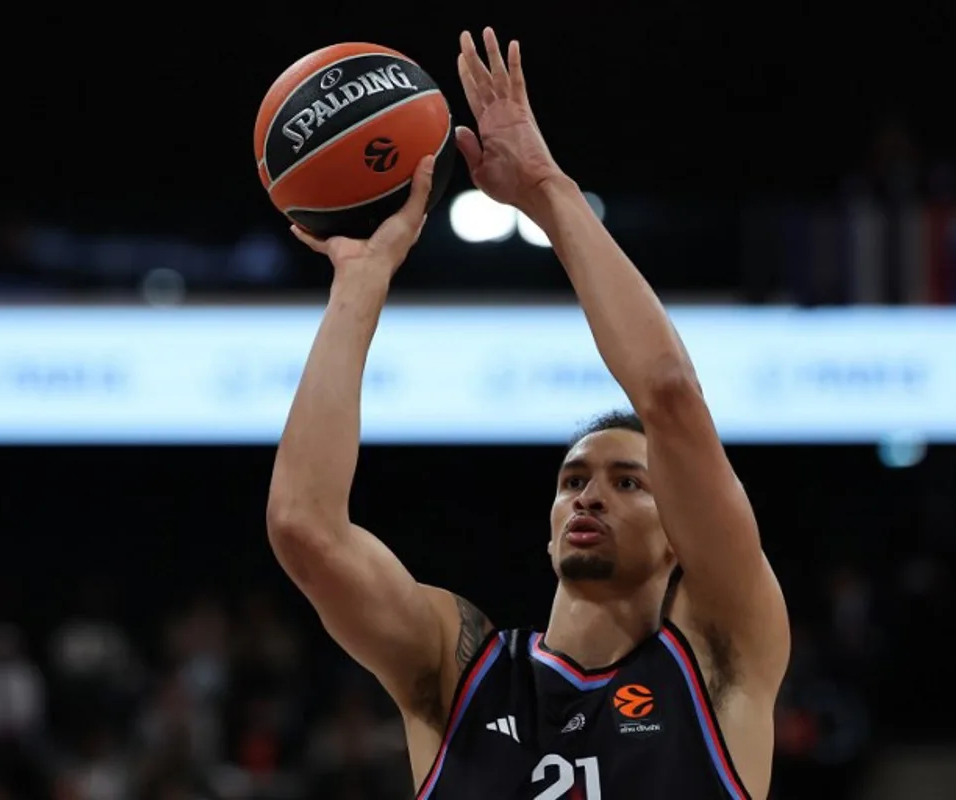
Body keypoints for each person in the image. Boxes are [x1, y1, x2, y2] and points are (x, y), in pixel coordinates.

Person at [266, 27, 789, 800]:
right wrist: (360, 280)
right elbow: (304, 529)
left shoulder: (720, 657)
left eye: (629, 483)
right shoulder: (460, 671)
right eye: (574, 478)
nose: (590, 495)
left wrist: (548, 190)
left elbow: (670, 394)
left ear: (684, 533)